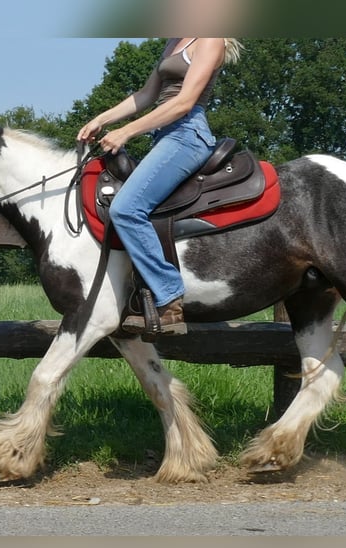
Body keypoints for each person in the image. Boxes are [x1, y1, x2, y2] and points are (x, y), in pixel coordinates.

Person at [77, 38, 242, 336]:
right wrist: (101, 119)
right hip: (164, 137)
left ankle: (169, 297)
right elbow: (146, 94)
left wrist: (126, 131)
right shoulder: (173, 44)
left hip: (187, 135)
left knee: (126, 209)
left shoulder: (210, 40)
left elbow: (183, 102)